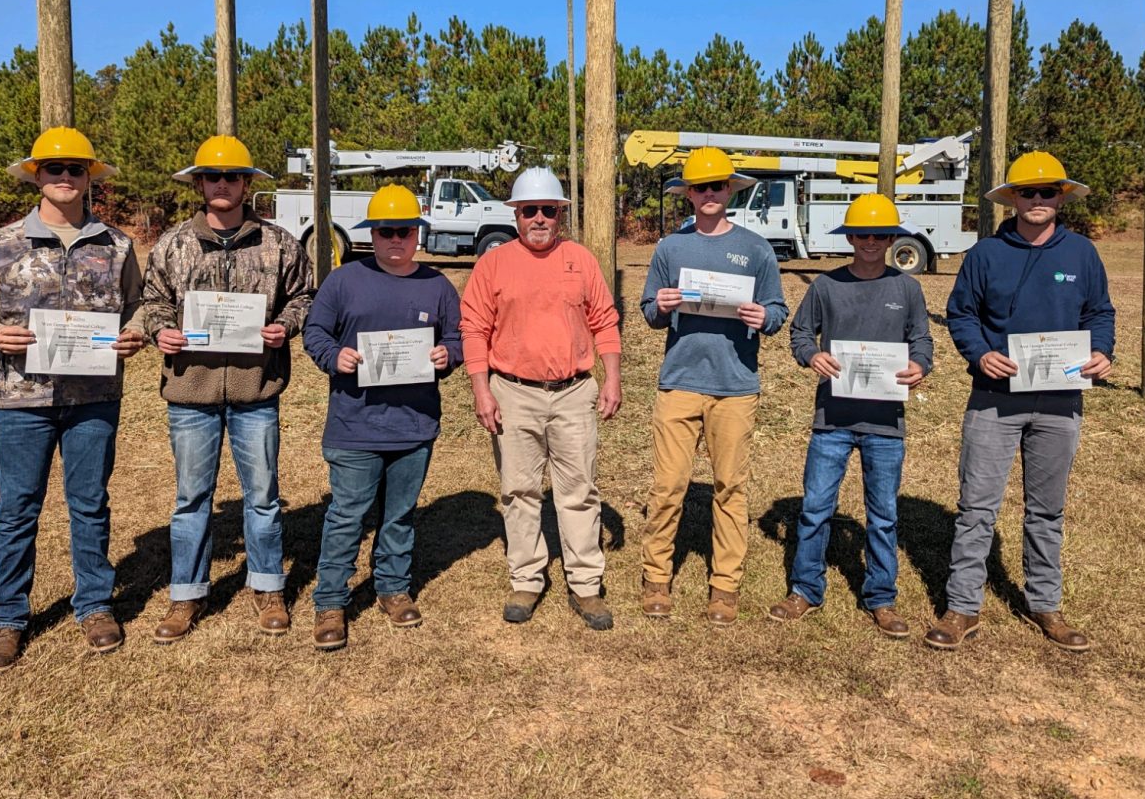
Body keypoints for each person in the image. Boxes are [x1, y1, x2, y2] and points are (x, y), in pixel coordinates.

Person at [0, 127, 146, 672]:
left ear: (89, 177)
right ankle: (7, 618)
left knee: (89, 504)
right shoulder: (1, 243)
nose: (65, 177)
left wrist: (134, 333)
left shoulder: (116, 244)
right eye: (54, 169)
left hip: (94, 397)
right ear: (37, 176)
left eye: (75, 169)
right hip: (22, 398)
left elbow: (137, 304)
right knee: (17, 508)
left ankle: (93, 605)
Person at [925, 151, 1115, 653]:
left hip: (1059, 403)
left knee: (1047, 510)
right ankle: (962, 606)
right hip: (994, 400)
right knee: (976, 508)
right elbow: (960, 313)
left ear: (1061, 198)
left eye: (1046, 192)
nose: (1036, 200)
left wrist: (1102, 352)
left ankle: (1045, 605)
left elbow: (1100, 311)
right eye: (1026, 192)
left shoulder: (1082, 254)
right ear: (1011, 199)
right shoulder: (986, 254)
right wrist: (980, 353)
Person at [137, 136, 314, 644]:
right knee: (192, 498)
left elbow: (304, 295)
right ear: (199, 183)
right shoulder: (173, 244)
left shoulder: (278, 243)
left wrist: (286, 325)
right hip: (191, 393)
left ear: (246, 184)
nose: (222, 184)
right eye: (212, 176)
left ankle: (268, 587)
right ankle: (186, 593)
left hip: (256, 391)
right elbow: (153, 300)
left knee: (263, 497)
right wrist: (160, 330)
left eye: (231, 176)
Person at [460, 167, 622, 630]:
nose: (538, 219)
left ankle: (586, 585)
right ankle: (527, 577)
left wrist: (611, 379)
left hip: (573, 393)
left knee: (579, 491)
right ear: (516, 215)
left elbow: (605, 321)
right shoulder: (493, 264)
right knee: (519, 490)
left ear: (560, 214)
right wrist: (481, 391)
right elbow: (473, 329)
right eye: (528, 210)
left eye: (547, 210)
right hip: (512, 392)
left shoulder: (581, 260)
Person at [302, 185, 463, 651]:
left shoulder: (436, 286)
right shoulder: (343, 280)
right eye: (386, 231)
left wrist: (446, 354)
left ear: (418, 234)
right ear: (372, 234)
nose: (397, 239)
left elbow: (460, 337)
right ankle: (331, 600)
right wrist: (336, 356)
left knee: (399, 516)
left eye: (406, 231)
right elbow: (315, 331)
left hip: (414, 424)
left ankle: (392, 586)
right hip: (355, 424)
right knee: (347, 515)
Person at [638, 147, 788, 625]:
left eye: (717, 186)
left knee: (731, 488)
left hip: (735, 385)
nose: (709, 194)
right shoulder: (670, 249)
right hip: (679, 382)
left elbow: (778, 312)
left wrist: (766, 317)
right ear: (688, 195)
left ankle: (724, 587)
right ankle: (656, 576)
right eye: (700, 187)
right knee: (668, 486)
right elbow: (648, 314)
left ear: (730, 190)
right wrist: (660, 305)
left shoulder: (757, 248)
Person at [772, 194, 932, 637]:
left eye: (879, 235)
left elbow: (922, 341)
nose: (869, 242)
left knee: (882, 515)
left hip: (885, 425)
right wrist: (810, 357)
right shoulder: (826, 286)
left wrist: (920, 365)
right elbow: (801, 332)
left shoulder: (907, 289)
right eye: (861, 234)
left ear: (891, 238)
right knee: (815, 509)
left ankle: (881, 597)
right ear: (849, 237)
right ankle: (805, 589)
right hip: (832, 420)